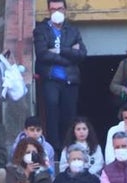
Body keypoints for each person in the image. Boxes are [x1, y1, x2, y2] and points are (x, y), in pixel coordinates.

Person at [33, 0, 85, 153]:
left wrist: (59, 50)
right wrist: (69, 52)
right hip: (51, 80)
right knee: (52, 114)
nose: (57, 12)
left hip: (70, 80)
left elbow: (81, 54)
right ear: (48, 11)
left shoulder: (73, 30)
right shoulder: (41, 30)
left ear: (65, 10)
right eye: (53, 9)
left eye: (60, 8)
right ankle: (54, 150)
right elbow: (42, 54)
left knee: (69, 115)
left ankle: (69, 148)